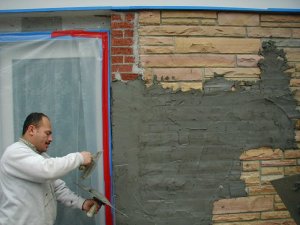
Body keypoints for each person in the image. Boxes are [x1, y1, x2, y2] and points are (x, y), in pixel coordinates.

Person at [0, 112, 101, 225]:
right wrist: (79, 158)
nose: (51, 139)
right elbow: (47, 169)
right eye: (47, 133)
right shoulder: (14, 153)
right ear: (32, 130)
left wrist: (81, 203)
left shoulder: (39, 157)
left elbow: (57, 188)